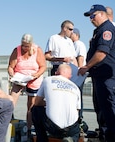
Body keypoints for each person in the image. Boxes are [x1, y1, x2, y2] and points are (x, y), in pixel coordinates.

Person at [78, 4, 115, 142]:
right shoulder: (99, 30)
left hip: (107, 78)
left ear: (102, 14)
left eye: (93, 16)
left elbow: (101, 53)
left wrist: (86, 66)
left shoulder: (107, 29)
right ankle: (104, 137)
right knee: (101, 110)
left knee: (108, 112)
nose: (91, 19)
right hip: (99, 77)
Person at [8, 33, 46, 139]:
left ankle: (29, 129)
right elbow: (11, 66)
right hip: (19, 78)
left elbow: (43, 66)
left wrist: (36, 75)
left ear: (31, 45)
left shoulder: (37, 50)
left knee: (31, 106)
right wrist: (12, 74)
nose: (25, 48)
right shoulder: (17, 50)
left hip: (34, 78)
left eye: (27, 46)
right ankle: (7, 123)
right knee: (11, 101)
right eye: (23, 45)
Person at [31, 64, 81, 142]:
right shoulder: (76, 87)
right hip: (70, 129)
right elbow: (77, 110)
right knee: (78, 129)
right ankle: (72, 139)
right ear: (70, 76)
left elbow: (37, 102)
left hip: (53, 128)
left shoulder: (47, 80)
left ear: (56, 73)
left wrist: (49, 103)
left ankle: (42, 139)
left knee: (35, 109)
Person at [70, 28, 87, 119]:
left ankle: (78, 117)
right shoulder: (75, 44)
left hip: (78, 73)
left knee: (77, 95)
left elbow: (80, 58)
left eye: (71, 34)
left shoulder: (78, 44)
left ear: (76, 35)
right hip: (77, 73)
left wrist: (78, 71)